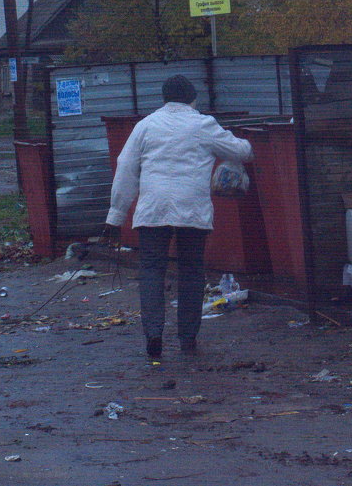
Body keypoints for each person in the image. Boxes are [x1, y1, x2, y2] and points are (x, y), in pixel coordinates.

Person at [104, 75, 253, 359]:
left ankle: (154, 335)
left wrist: (116, 215)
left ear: (164, 98)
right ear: (193, 98)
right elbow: (242, 151)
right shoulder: (203, 124)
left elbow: (125, 167)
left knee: (150, 271)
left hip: (152, 210)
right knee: (191, 271)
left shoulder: (145, 125)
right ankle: (187, 338)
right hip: (192, 211)